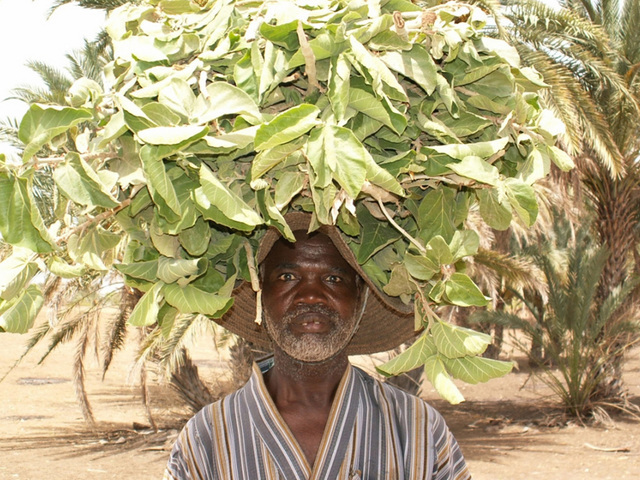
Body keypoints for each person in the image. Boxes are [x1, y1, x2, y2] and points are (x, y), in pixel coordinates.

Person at [164, 212, 471, 480]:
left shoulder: (417, 431)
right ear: (260, 292)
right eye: (287, 276)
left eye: (334, 279)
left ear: (361, 296)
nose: (311, 296)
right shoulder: (207, 438)